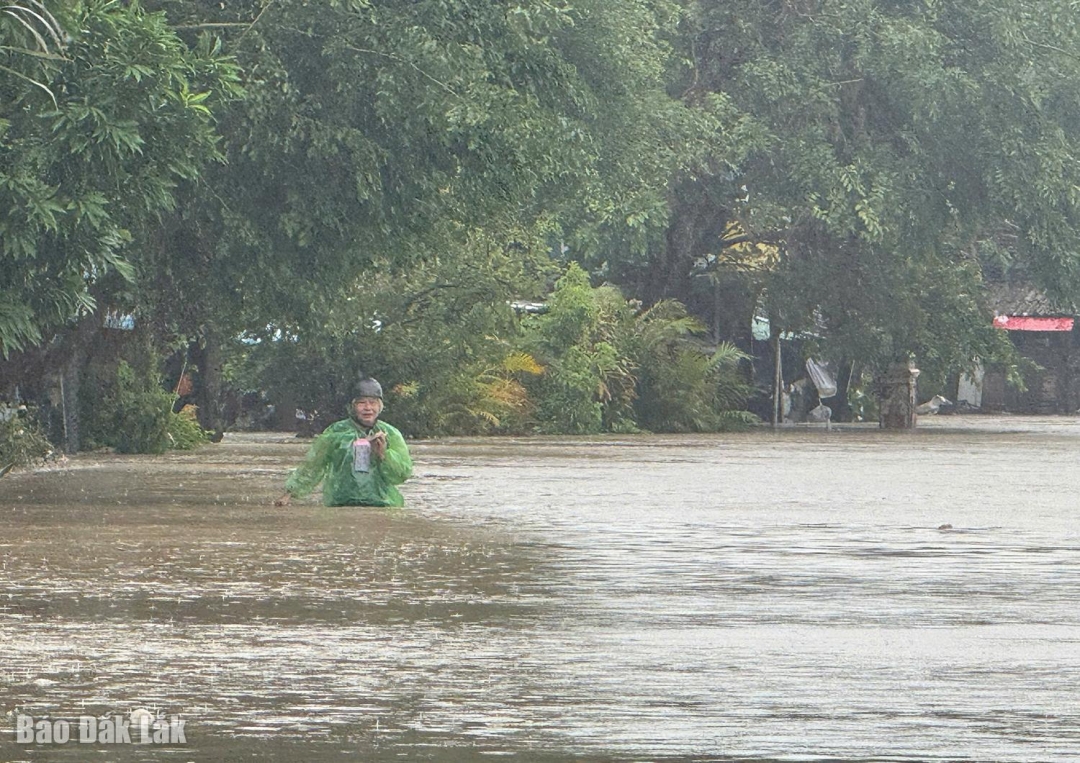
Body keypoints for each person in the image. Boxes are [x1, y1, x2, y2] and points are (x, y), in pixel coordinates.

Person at [274, 378, 412, 507]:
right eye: (361, 403)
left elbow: (402, 475)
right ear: (352, 406)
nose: (368, 408)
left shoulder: (391, 434)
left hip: (381, 505)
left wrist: (383, 455)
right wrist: (289, 494)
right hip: (340, 503)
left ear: (380, 406)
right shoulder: (336, 432)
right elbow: (313, 465)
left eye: (373, 402)